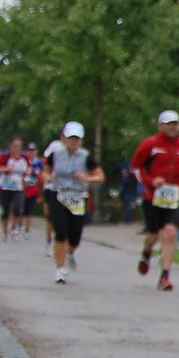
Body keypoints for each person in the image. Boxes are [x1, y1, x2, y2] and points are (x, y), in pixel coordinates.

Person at [131, 110, 179, 292]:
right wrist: (151, 180)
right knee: (153, 235)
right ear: (160, 126)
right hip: (152, 196)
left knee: (169, 233)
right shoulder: (150, 145)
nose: (172, 127)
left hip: (174, 197)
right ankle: (147, 252)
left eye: (175, 123)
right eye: (168, 124)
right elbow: (135, 168)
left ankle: (165, 276)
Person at [42, 121, 105, 283]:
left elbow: (100, 176)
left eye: (76, 139)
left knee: (76, 235)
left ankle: (70, 252)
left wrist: (87, 178)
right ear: (64, 138)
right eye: (70, 138)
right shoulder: (55, 154)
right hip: (59, 195)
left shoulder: (86, 157)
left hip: (78, 198)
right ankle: (60, 269)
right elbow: (46, 169)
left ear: (81, 140)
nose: (73, 142)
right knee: (60, 231)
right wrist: (47, 176)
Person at [0, 136, 31, 240]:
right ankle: (5, 231)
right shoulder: (5, 156)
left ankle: (14, 227)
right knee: (5, 210)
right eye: (14, 146)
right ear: (10, 146)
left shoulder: (24, 157)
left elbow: (29, 168)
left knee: (17, 208)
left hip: (18, 187)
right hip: (4, 186)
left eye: (18, 146)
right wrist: (6, 169)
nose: (16, 148)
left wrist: (28, 172)